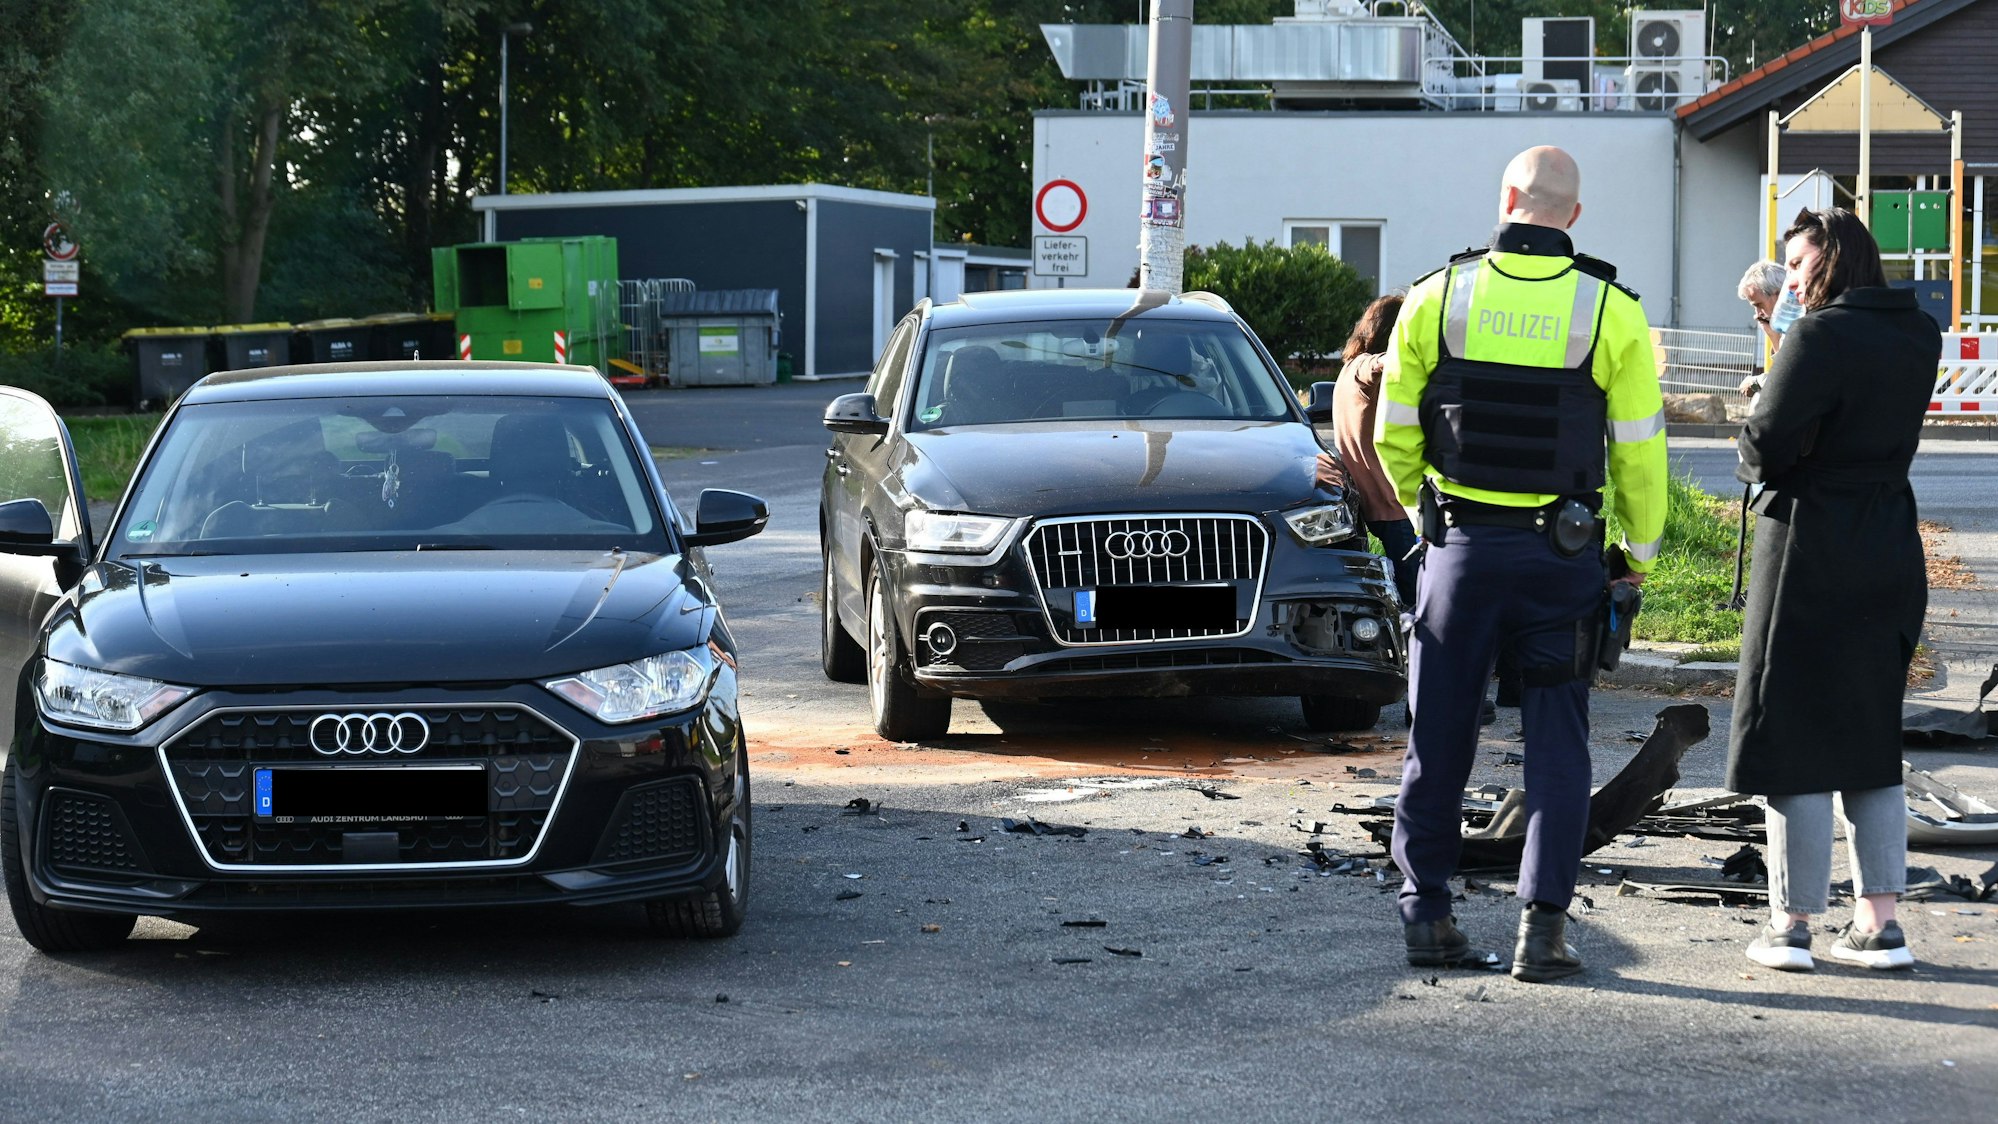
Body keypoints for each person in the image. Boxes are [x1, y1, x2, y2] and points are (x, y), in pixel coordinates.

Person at [1375, 146, 1668, 982]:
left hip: (1459, 553)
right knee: (1557, 747)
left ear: (1505, 199)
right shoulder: (1610, 311)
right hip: (1560, 559)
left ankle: (1427, 919)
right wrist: (1635, 558)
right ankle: (1544, 932)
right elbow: (1642, 455)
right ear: (1573, 217)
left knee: (1436, 740)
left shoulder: (1436, 297)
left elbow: (1390, 429)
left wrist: (1419, 515)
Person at [1730, 207, 1940, 973]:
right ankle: (1880, 924)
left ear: (1829, 262)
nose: (1789, 279)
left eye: (1797, 265)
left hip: (1810, 543)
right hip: (1889, 540)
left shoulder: (1818, 336)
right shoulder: (1921, 333)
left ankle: (1790, 926)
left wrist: (1756, 412)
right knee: (1868, 734)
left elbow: (1765, 448)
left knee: (1790, 730)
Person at [1329, 294, 1419, 606]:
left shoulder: (1347, 371)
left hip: (1374, 507)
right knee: (1418, 601)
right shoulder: (1362, 368)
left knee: (1400, 595)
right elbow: (1381, 364)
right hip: (1393, 508)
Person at [1736, 260, 1801, 397]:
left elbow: (1788, 380)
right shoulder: (1786, 326)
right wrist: (1773, 335)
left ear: (1778, 294)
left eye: (1759, 305)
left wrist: (1757, 381)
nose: (1757, 314)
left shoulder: (1802, 324)